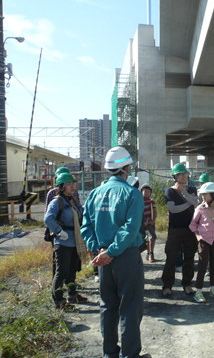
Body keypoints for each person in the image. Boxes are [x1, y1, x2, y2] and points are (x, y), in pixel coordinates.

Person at [81, 147, 149, 358]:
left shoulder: (94, 194)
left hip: (102, 258)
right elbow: (130, 229)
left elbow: (86, 226)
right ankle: (130, 355)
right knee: (129, 307)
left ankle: (109, 353)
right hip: (126, 256)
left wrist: (99, 250)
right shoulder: (132, 193)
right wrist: (111, 251)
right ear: (126, 168)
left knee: (107, 306)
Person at [45, 172, 87, 310]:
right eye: (69, 184)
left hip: (74, 241)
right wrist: (58, 231)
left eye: (73, 183)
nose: (72, 186)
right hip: (62, 242)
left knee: (72, 271)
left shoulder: (72, 201)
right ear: (62, 186)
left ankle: (72, 294)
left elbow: (82, 212)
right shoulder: (57, 201)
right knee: (61, 272)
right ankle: (58, 301)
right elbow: (48, 219)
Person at [161, 163, 199, 297]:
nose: (184, 176)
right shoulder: (170, 191)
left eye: (185, 174)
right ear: (175, 177)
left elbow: (195, 202)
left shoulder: (191, 188)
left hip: (190, 229)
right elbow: (173, 209)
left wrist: (184, 192)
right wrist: (189, 202)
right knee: (171, 257)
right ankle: (167, 285)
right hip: (175, 229)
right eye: (181, 174)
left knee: (189, 257)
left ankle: (187, 284)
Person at [189, 182, 214, 303]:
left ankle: (213, 288)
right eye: (202, 194)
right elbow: (193, 224)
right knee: (202, 265)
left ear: (212, 195)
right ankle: (199, 291)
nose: (202, 197)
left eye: (205, 194)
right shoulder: (200, 208)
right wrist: (198, 237)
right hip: (204, 241)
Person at [140, 183, 157, 263]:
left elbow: (154, 211)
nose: (147, 193)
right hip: (143, 223)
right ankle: (150, 254)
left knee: (152, 237)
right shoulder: (139, 201)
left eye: (148, 191)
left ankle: (149, 253)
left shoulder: (151, 201)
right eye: (145, 191)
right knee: (150, 238)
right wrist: (144, 223)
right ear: (141, 192)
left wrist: (152, 221)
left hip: (150, 223)